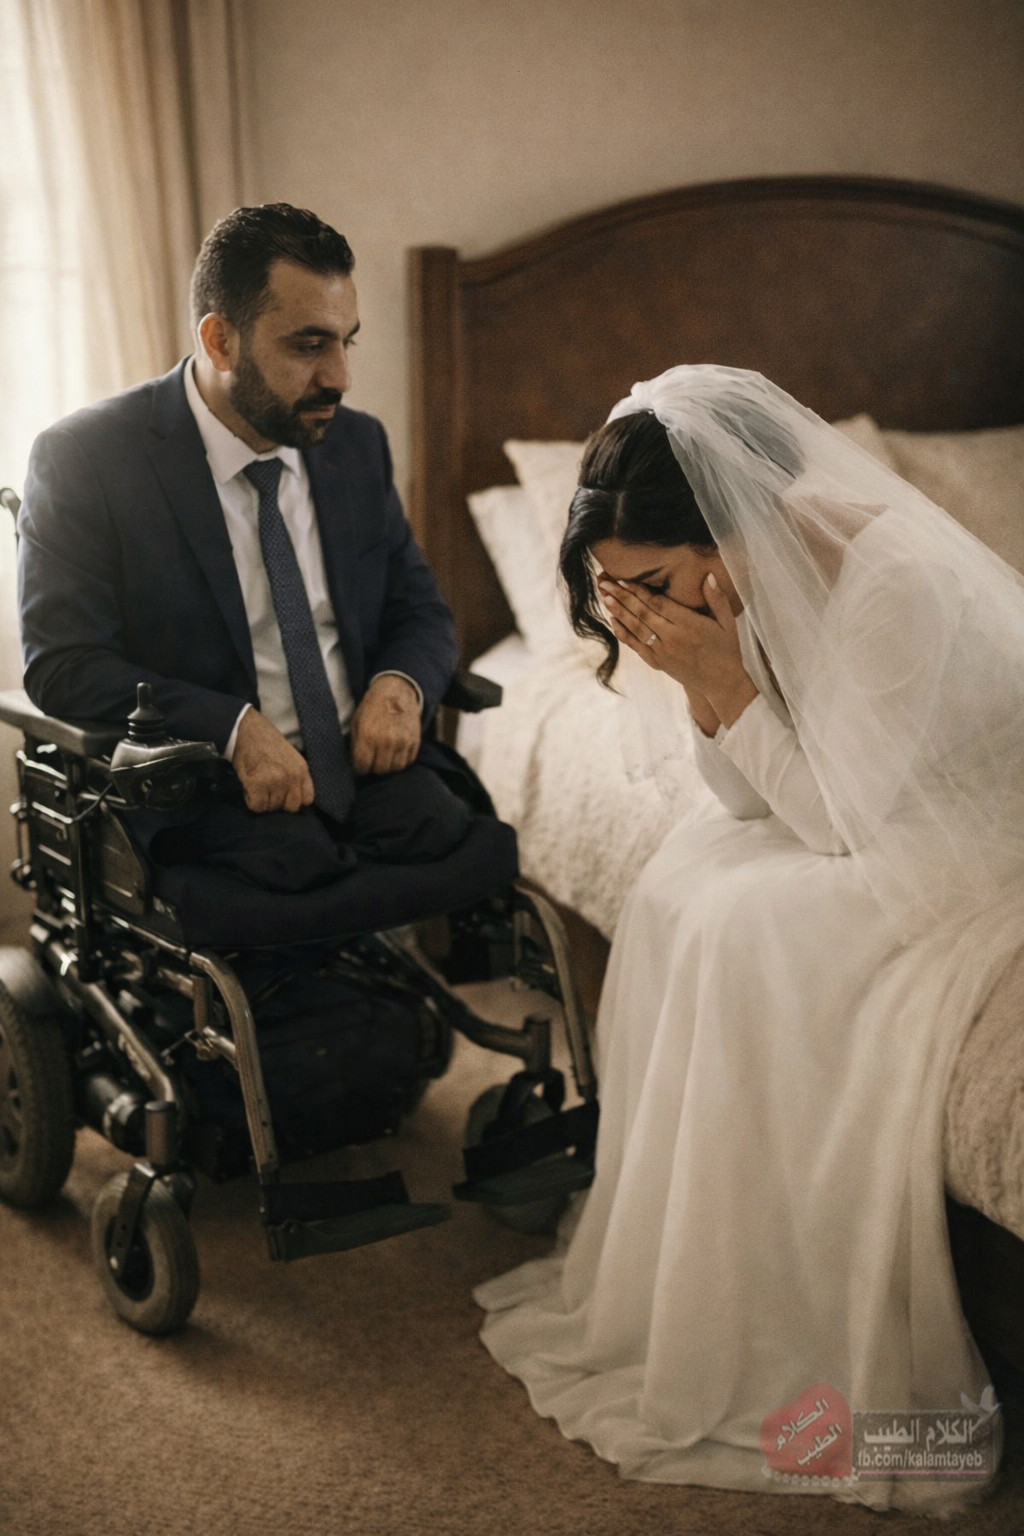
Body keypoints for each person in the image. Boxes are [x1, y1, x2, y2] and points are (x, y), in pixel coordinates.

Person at [473, 365, 1024, 1515]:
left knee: (752, 930)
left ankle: (793, 1315)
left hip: (973, 825)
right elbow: (742, 797)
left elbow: (836, 824)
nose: (642, 613)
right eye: (620, 592)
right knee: (682, 887)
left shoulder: (892, 584)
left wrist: (717, 673)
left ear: (730, 524)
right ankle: (708, 1273)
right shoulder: (736, 582)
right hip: (869, 812)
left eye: (653, 584)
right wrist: (700, 678)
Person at [17, 203, 470, 888]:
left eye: (346, 342)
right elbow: (63, 664)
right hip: (203, 781)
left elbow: (421, 610)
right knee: (294, 872)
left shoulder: (356, 443)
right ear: (220, 341)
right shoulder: (86, 458)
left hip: (357, 763)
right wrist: (229, 727)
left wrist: (400, 686)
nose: (340, 378)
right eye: (309, 346)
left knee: (452, 831)